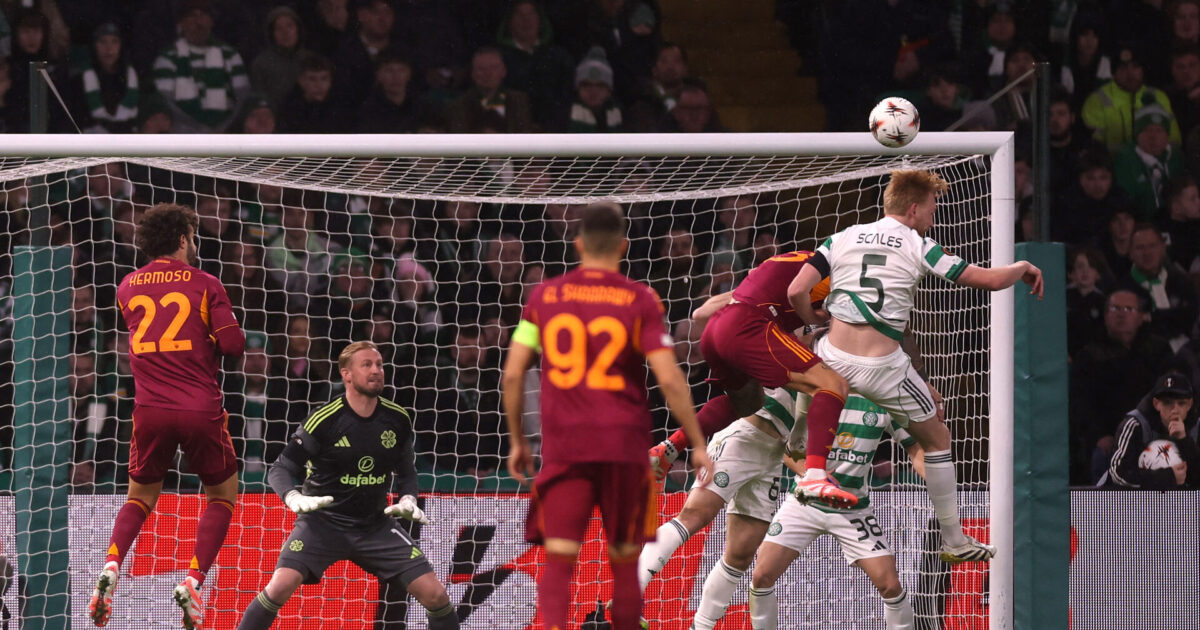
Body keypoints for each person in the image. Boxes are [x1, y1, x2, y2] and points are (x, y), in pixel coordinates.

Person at [787, 169, 1044, 564]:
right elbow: (989, 281)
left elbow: (796, 290)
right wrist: (1021, 265)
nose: (933, 218)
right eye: (932, 209)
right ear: (912, 208)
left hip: (833, 357)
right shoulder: (919, 244)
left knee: (813, 365)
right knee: (937, 439)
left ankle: (801, 442)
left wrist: (815, 321)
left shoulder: (841, 237)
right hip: (883, 368)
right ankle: (954, 540)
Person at [501, 201, 714, 630]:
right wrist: (697, 442)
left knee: (559, 560)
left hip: (566, 449)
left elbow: (513, 373)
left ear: (578, 244)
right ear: (623, 246)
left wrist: (518, 441)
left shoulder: (544, 297)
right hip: (624, 450)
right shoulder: (640, 299)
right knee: (624, 564)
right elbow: (670, 378)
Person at [90, 203, 246, 629]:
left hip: (150, 410)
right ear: (182, 239)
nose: (195, 244)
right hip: (199, 408)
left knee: (139, 497)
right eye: (193, 237)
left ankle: (111, 565)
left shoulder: (127, 286)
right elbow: (234, 346)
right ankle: (193, 581)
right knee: (221, 497)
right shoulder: (205, 283)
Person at [235, 341, 460, 629]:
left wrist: (408, 499)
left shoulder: (397, 418)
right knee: (279, 587)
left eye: (379, 364)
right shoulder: (325, 419)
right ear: (347, 374)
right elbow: (281, 468)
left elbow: (407, 473)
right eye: (366, 365)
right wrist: (293, 497)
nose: (376, 370)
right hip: (322, 524)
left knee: (437, 595)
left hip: (375, 526)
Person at [648, 248, 857, 509]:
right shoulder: (831, 276)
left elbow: (700, 315)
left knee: (747, 402)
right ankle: (814, 475)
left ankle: (668, 448)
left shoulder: (780, 267)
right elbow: (805, 331)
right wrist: (815, 321)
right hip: (750, 328)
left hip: (717, 331)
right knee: (833, 385)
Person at [733, 392, 922, 630]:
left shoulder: (882, 396)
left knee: (891, 586)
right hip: (804, 501)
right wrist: (810, 473)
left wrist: (939, 483)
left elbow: (916, 448)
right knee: (761, 576)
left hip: (852, 508)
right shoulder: (810, 390)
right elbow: (781, 443)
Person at [152, 0, 250, 133]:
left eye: (203, 15)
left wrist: (223, 129)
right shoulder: (167, 58)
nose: (198, 21)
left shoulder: (230, 55)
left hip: (225, 134)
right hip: (183, 135)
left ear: (211, 22)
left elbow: (243, 98)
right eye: (192, 16)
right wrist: (198, 130)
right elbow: (165, 102)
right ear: (181, 24)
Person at [1106, 371, 1200, 489]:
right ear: (1156, 404)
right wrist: (1168, 477)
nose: (1175, 410)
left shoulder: (1197, 427)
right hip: (1135, 498)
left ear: (1189, 404)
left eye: (1181, 403)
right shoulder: (1135, 425)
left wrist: (1184, 441)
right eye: (1167, 403)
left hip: (1182, 499)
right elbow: (1117, 474)